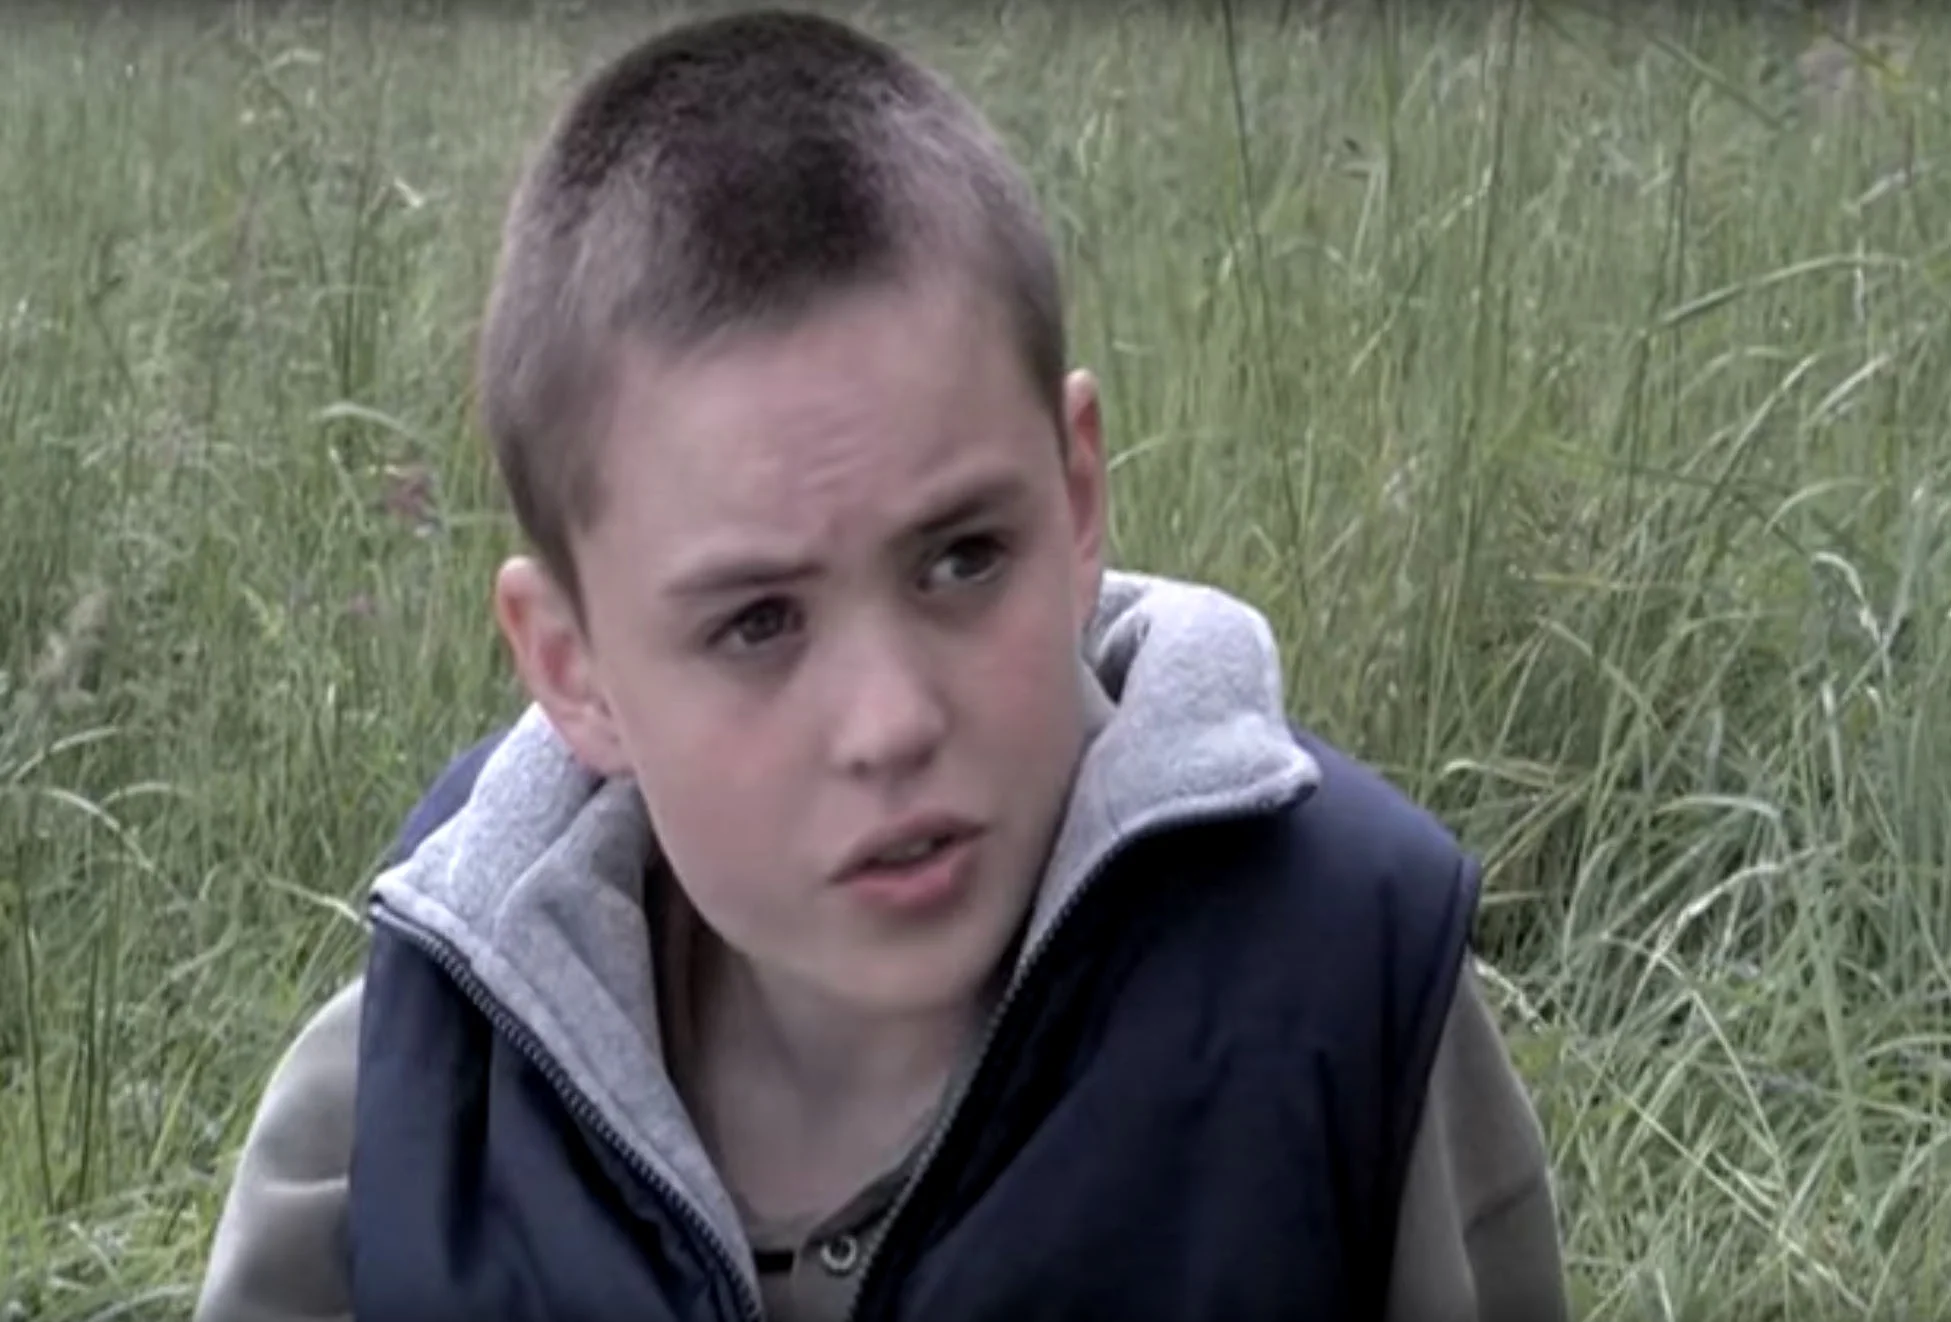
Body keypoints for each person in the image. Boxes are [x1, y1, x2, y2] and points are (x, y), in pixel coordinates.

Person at [192, 9, 1568, 1321]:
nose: (892, 720)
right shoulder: (406, 1120)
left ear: (1076, 495)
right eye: (757, 623)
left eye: (963, 558)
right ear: (574, 665)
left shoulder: (1347, 1004)